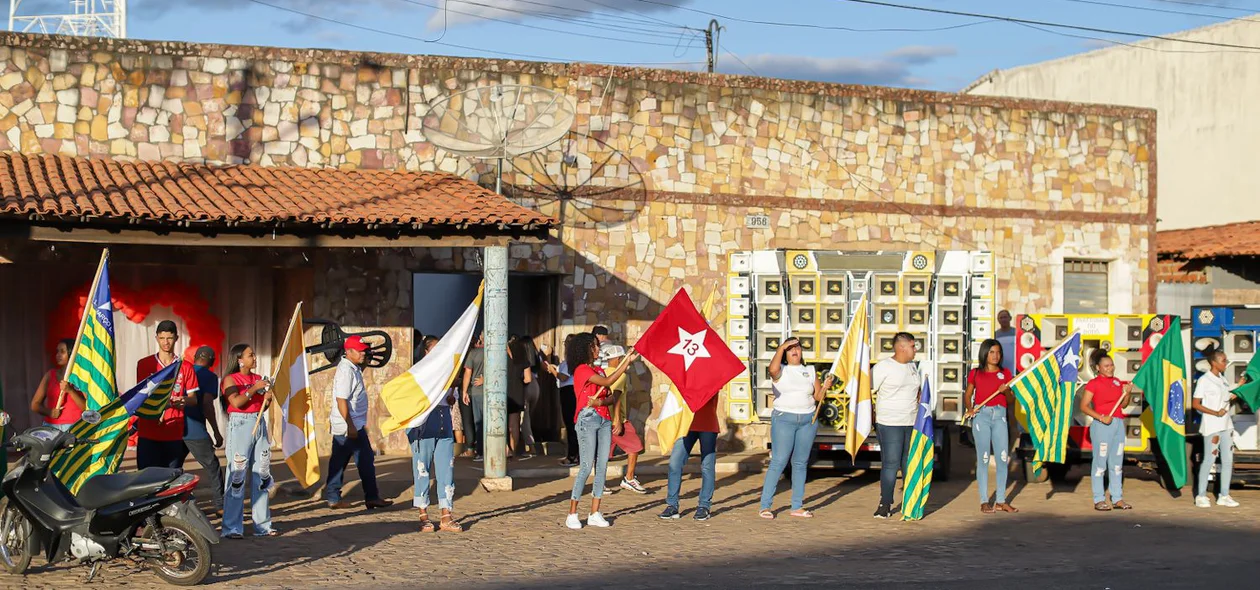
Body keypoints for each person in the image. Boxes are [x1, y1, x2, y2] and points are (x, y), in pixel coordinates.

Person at [565, 333, 638, 530]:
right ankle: (572, 513)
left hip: (604, 419)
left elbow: (611, 396)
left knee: (602, 466)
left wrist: (600, 401)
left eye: (597, 346)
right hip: (587, 419)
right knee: (586, 466)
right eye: (595, 346)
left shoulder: (598, 370)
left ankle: (595, 512)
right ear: (585, 349)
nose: (598, 350)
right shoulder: (581, 370)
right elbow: (607, 383)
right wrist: (625, 362)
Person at [758, 337, 833, 519]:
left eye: (797, 348)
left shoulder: (809, 370)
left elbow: (817, 396)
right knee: (779, 460)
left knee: (800, 463)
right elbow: (772, 370)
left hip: (808, 419)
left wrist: (825, 386)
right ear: (785, 352)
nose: (794, 351)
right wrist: (781, 347)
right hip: (784, 418)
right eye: (790, 348)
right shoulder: (781, 370)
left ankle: (797, 506)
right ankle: (765, 506)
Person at [325, 335, 394, 510]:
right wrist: (350, 426)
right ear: (349, 352)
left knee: (342, 461)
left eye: (364, 351)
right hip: (349, 425)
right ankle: (369, 497)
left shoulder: (352, 367)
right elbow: (341, 400)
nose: (364, 354)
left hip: (352, 424)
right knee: (362, 460)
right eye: (360, 351)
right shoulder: (346, 371)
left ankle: (337, 497)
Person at [220, 343, 277, 538]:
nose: (254, 358)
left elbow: (262, 406)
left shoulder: (258, 379)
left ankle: (263, 524)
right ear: (239, 359)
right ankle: (232, 527)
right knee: (237, 474)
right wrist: (254, 389)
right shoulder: (230, 379)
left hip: (258, 422)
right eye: (250, 355)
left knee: (261, 473)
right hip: (240, 424)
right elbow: (236, 402)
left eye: (254, 354)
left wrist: (267, 398)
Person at [135, 320, 201, 470]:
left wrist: (184, 400)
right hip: (148, 431)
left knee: (171, 480)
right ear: (157, 338)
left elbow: (193, 399)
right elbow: (141, 396)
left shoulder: (185, 366)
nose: (166, 342)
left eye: (170, 338)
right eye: (162, 338)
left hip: (173, 432)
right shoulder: (145, 364)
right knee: (145, 479)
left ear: (176, 338)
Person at [962, 339, 1017, 514]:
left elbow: (1010, 400)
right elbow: (968, 393)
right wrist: (970, 409)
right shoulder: (976, 373)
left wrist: (1006, 391)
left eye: (998, 352)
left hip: (1000, 417)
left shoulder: (1006, 373)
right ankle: (984, 501)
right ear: (985, 353)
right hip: (982, 417)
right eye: (992, 352)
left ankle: (1001, 500)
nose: (995, 356)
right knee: (984, 458)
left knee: (1002, 458)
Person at [872, 332, 922, 519]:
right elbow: (866, 391)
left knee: (909, 464)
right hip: (889, 423)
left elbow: (917, 391)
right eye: (912, 346)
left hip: (911, 422)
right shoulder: (883, 367)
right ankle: (885, 503)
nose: (915, 350)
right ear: (901, 347)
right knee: (891, 464)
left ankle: (910, 503)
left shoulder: (912, 367)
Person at [1079, 350, 1133, 511]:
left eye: (1111, 365)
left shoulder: (1117, 382)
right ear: (1098, 368)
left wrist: (1127, 394)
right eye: (1106, 366)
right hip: (1102, 425)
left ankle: (1117, 498)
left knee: (1117, 464)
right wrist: (1101, 417)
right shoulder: (1093, 384)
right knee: (1100, 463)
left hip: (1118, 423)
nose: (1110, 368)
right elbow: (1084, 406)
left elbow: (1123, 405)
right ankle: (1099, 499)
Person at [408, 388, 463, 533]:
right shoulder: (426, 371)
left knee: (447, 470)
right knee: (422, 468)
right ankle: (423, 514)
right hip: (424, 419)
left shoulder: (450, 375)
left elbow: (451, 399)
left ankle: (446, 515)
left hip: (444, 419)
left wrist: (452, 394)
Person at [660, 394, 721, 521]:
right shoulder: (686, 376)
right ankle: (672, 505)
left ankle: (704, 506)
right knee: (674, 463)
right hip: (686, 426)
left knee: (707, 466)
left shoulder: (712, 376)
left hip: (708, 425)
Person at [1193, 349, 1240, 508]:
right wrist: (1215, 412)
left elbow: (1225, 399)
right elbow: (1196, 404)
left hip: (1226, 425)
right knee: (1209, 459)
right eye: (1224, 361)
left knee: (1227, 460)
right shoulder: (1204, 380)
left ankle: (1224, 495)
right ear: (1214, 362)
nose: (1226, 364)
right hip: (1212, 426)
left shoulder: (1223, 380)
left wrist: (1238, 389)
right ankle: (1201, 495)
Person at [602, 342, 648, 494]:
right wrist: (617, 420)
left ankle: (599, 484)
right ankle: (629, 478)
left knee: (602, 454)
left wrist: (629, 357)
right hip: (617, 420)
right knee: (635, 447)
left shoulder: (602, 372)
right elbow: (615, 397)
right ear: (618, 358)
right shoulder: (619, 376)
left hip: (603, 419)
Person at [186, 346, 225, 516]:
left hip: (174, 428)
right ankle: (220, 506)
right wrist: (216, 431)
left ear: (194, 358)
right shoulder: (209, 377)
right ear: (212, 361)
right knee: (213, 467)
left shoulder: (182, 371)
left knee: (173, 469)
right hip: (195, 430)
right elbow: (207, 404)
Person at [30, 339, 86, 432]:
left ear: (72, 353)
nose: (58, 355)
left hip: (74, 427)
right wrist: (50, 412)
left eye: (62, 352)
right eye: (57, 351)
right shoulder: (50, 375)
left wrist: (71, 391)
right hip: (51, 428)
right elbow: (35, 405)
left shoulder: (81, 376)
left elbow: (87, 408)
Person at [548, 335, 578, 467]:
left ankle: (572, 456)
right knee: (572, 425)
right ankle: (575, 454)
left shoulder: (570, 361)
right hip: (570, 391)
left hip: (569, 392)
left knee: (571, 425)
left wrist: (554, 372)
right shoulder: (573, 361)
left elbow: (564, 377)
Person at [460, 333, 485, 462]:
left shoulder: (473, 353)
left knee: (479, 422)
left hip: (477, 392)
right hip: (493, 391)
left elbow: (467, 373)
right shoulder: (496, 353)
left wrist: (464, 391)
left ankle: (481, 451)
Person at [506, 340, 532, 460]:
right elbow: (528, 379)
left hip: (504, 390)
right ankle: (513, 450)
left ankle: (506, 449)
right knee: (514, 424)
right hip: (517, 391)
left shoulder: (502, 358)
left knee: (503, 423)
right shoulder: (523, 359)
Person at [519, 336, 543, 457]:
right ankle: (528, 443)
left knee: (525, 419)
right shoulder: (536, 355)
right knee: (528, 416)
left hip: (525, 385)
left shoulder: (521, 357)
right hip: (536, 385)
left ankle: (531, 446)